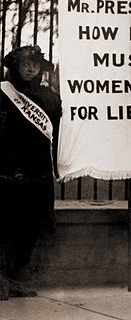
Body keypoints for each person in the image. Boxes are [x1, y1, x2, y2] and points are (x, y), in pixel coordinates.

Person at [0, 46, 61, 300]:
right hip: (7, 172)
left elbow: (59, 131)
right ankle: (1, 279)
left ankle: (17, 278)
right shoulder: (3, 93)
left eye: (35, 64)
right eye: (25, 63)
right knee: (4, 227)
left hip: (38, 174)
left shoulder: (49, 97)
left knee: (30, 228)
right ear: (15, 65)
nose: (31, 68)